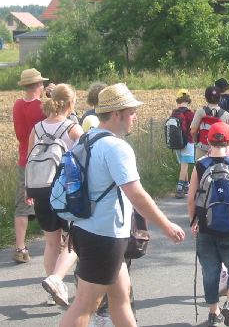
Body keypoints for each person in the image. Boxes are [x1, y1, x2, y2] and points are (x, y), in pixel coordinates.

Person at [59, 83, 185, 327]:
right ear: (116, 114)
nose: (135, 117)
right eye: (131, 112)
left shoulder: (87, 139)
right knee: (85, 305)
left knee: (120, 296)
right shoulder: (117, 147)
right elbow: (136, 195)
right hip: (105, 236)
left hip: (85, 229)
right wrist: (166, 225)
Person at [187, 122, 229, 327]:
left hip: (205, 226)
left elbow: (191, 198)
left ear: (208, 141)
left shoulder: (200, 164)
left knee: (210, 270)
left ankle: (214, 313)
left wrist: (193, 221)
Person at [29, 84, 83, 306]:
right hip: (66, 194)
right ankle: (56, 279)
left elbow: (29, 161)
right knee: (75, 241)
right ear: (70, 104)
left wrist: (27, 190)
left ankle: (53, 291)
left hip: (41, 191)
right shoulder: (73, 129)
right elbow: (84, 162)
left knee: (51, 243)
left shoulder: (37, 128)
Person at [12, 68, 53, 264]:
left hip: (25, 160)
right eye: (42, 83)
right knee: (50, 199)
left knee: (22, 204)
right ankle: (57, 241)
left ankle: (20, 248)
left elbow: (20, 134)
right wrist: (51, 97)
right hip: (45, 160)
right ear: (38, 85)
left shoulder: (17, 105)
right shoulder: (44, 106)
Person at [190, 87, 229, 156]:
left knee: (200, 166)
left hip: (203, 148)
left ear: (205, 98)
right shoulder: (226, 114)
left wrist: (196, 141)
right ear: (220, 98)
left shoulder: (200, 112)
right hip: (220, 150)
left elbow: (193, 131)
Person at [171, 89, 196, 198]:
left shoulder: (174, 113)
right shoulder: (190, 114)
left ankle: (187, 186)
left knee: (183, 165)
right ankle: (179, 188)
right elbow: (194, 128)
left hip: (176, 143)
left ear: (178, 100)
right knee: (184, 166)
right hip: (188, 142)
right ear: (188, 100)